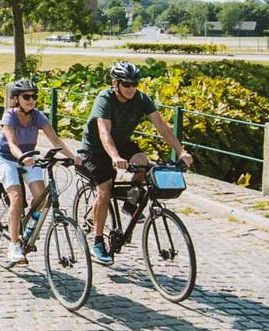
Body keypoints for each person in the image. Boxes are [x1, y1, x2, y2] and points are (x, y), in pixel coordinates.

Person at [82, 62, 193, 265]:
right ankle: (98, 242)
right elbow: (104, 132)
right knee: (105, 190)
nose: (132, 88)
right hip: (95, 149)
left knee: (144, 164)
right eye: (127, 84)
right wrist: (115, 157)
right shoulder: (105, 99)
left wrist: (181, 151)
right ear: (115, 83)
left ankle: (130, 204)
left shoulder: (141, 99)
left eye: (135, 84)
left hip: (122, 143)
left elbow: (162, 126)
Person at [0, 78, 82, 266]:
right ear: (16, 99)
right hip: (7, 158)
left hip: (28, 158)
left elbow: (56, 141)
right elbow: (12, 144)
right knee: (16, 197)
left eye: (34, 96)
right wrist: (22, 157)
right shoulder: (10, 116)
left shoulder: (37, 116)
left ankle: (28, 227)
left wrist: (73, 157)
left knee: (41, 198)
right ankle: (14, 244)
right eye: (27, 96)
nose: (31, 100)